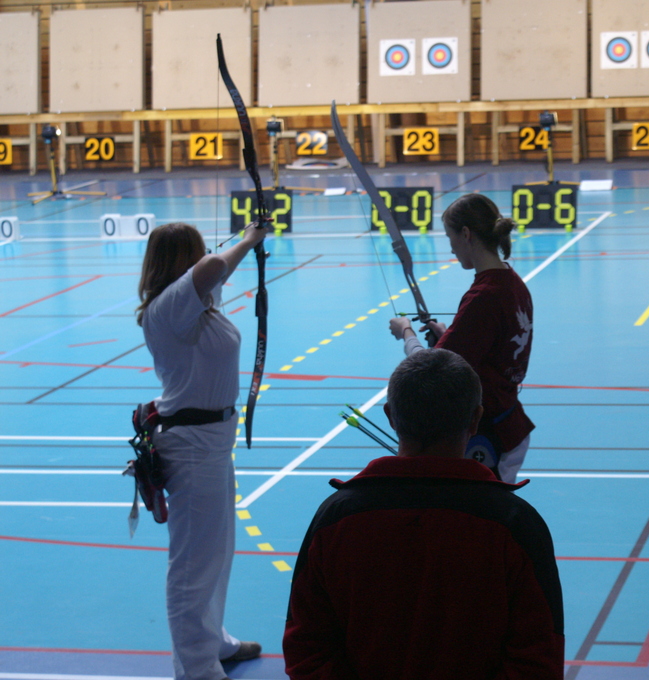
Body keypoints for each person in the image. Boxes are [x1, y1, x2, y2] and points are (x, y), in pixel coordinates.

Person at [283, 348, 564, 680]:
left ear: (390, 416)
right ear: (476, 419)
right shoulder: (515, 524)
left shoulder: (336, 520)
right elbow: (538, 660)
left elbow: (307, 649)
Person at [136, 222, 264, 680]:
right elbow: (212, 267)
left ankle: (213, 642)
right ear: (183, 259)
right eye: (200, 249)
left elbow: (212, 272)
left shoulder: (196, 304)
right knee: (193, 563)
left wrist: (251, 241)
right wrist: (248, 240)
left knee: (217, 552)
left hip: (210, 442)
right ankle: (195, 668)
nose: (209, 254)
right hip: (191, 447)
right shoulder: (170, 306)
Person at [389, 193, 534, 483]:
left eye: (450, 237)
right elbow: (492, 345)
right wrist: (448, 336)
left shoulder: (484, 296)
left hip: (490, 434)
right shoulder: (510, 281)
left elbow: (431, 370)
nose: (451, 248)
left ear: (466, 234)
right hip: (508, 421)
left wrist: (405, 332)